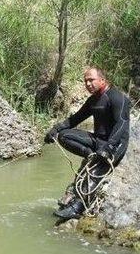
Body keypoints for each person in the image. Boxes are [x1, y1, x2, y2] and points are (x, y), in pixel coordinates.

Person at [44, 66, 131, 219]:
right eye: (85, 81)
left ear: (102, 80)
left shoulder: (117, 97)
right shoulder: (93, 100)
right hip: (98, 141)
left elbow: (122, 124)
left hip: (115, 144)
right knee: (63, 136)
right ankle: (91, 156)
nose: (88, 84)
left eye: (91, 80)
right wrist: (55, 130)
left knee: (98, 168)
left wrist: (109, 148)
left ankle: (77, 207)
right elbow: (75, 119)